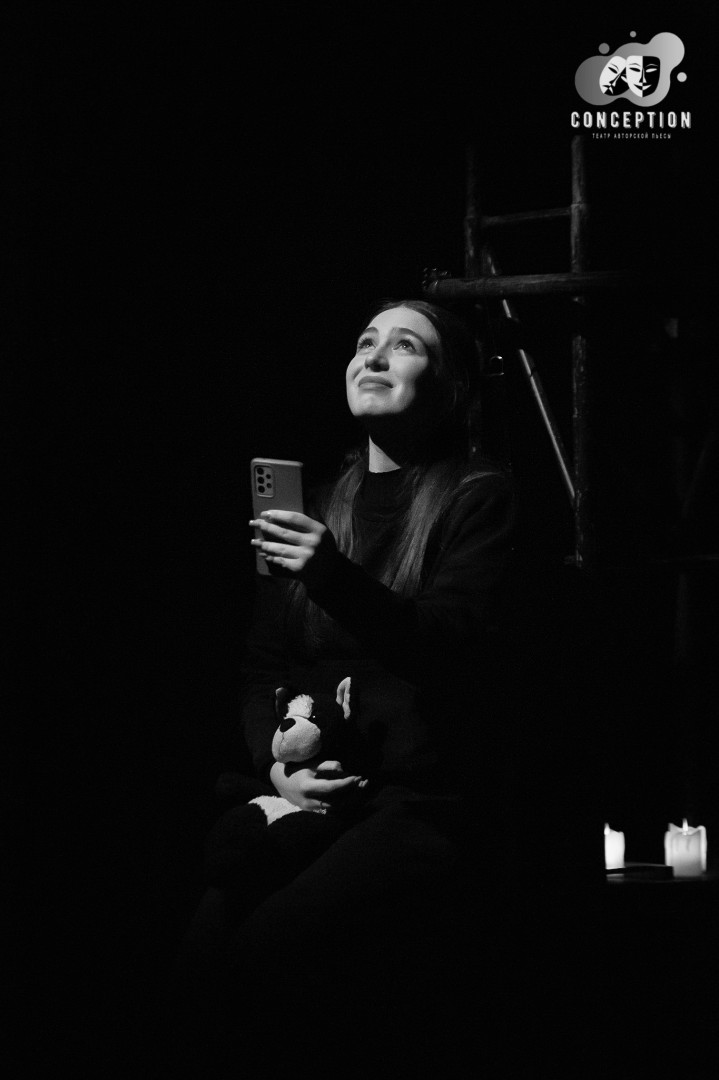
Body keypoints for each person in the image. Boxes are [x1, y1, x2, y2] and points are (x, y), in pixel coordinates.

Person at [164, 298, 517, 1074]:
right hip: (311, 792)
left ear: (453, 386)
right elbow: (263, 668)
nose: (375, 356)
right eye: (364, 342)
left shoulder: (478, 496)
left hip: (417, 798)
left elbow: (448, 646)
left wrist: (330, 574)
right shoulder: (321, 506)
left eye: (405, 345)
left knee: (265, 958)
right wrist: (277, 767)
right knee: (196, 968)